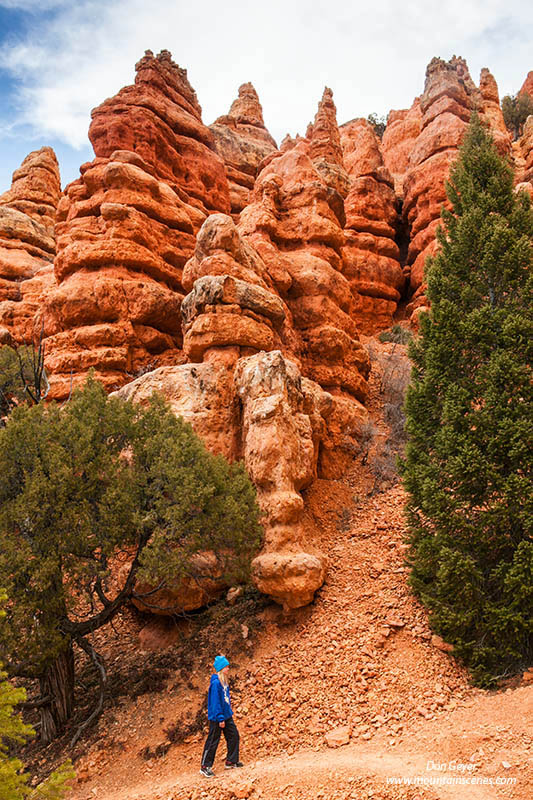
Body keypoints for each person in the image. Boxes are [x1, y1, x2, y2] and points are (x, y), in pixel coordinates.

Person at [200, 655, 243, 778]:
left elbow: (225, 699)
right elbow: (215, 702)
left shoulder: (224, 681)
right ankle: (205, 766)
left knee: (233, 735)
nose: (228, 669)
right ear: (221, 668)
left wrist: (227, 712)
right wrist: (220, 718)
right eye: (226, 667)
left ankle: (231, 761)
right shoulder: (215, 683)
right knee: (213, 741)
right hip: (217, 717)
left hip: (226, 715)